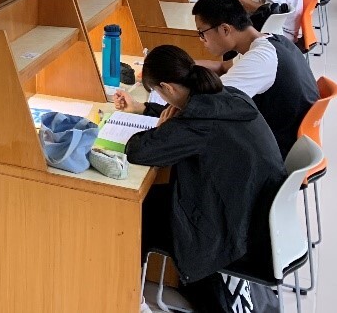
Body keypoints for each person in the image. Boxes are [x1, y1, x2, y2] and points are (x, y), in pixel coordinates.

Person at [116, 45, 285, 311]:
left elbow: (138, 150)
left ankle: (129, 299)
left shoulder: (200, 123)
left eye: (159, 94)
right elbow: (186, 121)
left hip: (234, 232)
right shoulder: (227, 95)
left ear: (167, 88)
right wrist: (144, 109)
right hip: (257, 215)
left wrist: (161, 129)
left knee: (135, 212)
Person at [190, 0, 318, 156]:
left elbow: (212, 103)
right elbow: (222, 67)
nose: (201, 40)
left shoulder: (260, 59)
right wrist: (181, 66)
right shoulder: (271, 40)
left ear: (225, 29)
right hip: (286, 139)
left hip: (275, 152)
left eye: (202, 33)